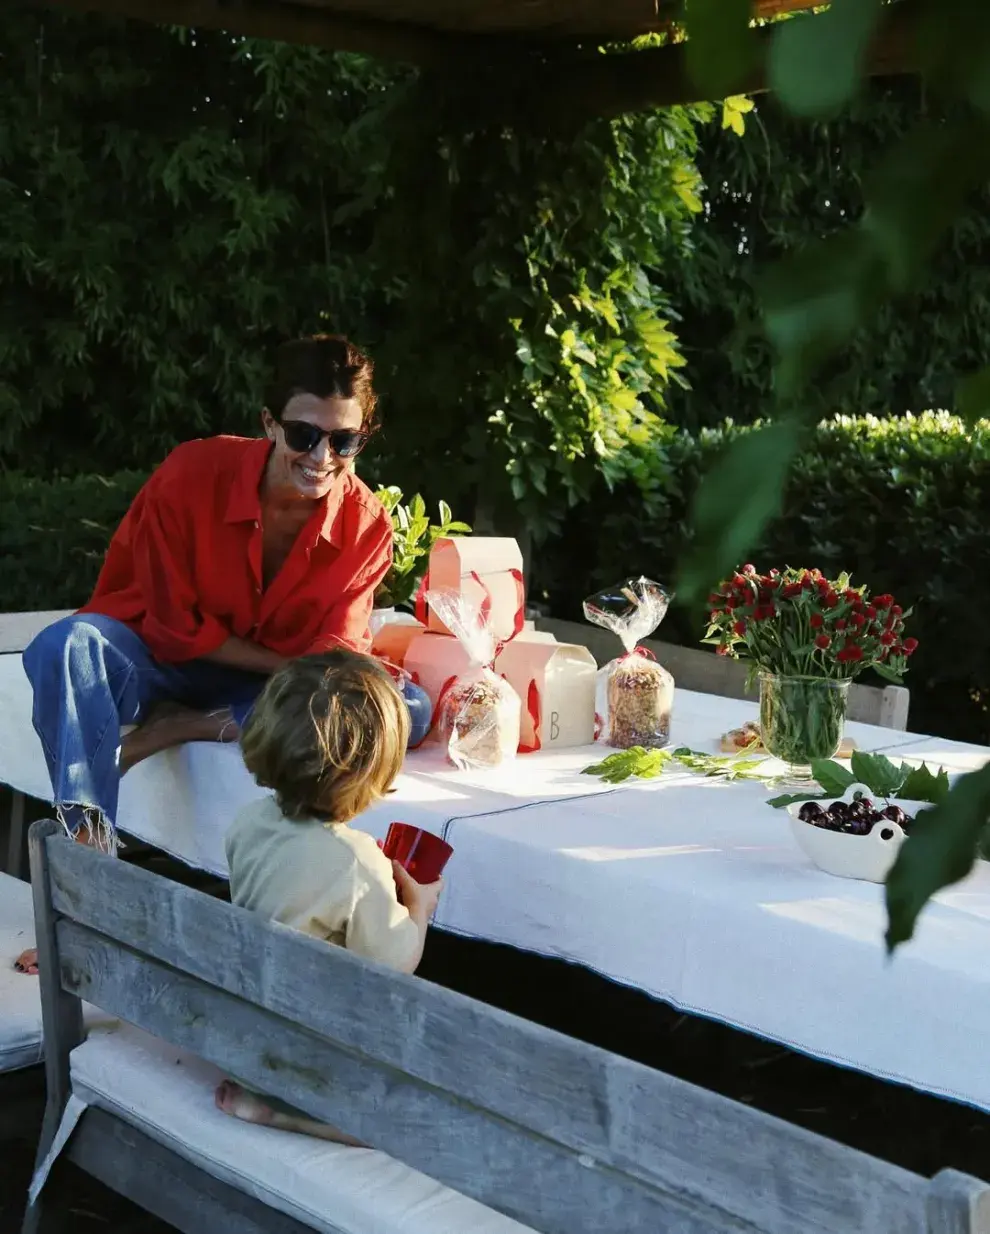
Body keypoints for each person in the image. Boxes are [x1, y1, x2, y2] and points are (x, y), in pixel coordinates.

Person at [15, 334, 393, 975]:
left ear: (362, 438)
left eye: (344, 441)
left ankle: (182, 726)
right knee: (65, 646)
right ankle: (86, 885)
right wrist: (286, 670)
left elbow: (335, 668)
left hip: (263, 687)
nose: (322, 456)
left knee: (393, 702)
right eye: (303, 434)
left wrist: (292, 677)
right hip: (162, 658)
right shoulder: (193, 473)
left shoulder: (366, 526)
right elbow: (172, 625)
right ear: (269, 423)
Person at [215, 649, 443, 1142]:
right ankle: (287, 1115)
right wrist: (419, 908)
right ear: (371, 771)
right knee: (411, 1122)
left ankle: (266, 1100)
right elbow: (393, 961)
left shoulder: (249, 821)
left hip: (242, 1032)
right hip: (305, 1058)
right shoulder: (357, 861)